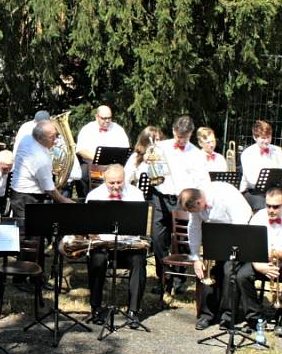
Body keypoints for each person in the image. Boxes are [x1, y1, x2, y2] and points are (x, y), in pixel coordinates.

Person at [179, 181, 253, 330]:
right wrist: (196, 258)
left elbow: (241, 220)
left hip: (238, 232)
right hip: (216, 235)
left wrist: (230, 249)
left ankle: (227, 316)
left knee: (228, 272)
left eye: (193, 210)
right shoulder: (196, 204)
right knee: (208, 272)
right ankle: (207, 315)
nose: (193, 214)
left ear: (199, 201)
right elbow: (194, 228)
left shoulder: (225, 195)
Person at [81, 164, 147, 326]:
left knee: (139, 259)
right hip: (103, 244)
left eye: (120, 182)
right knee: (97, 259)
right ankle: (96, 307)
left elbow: (139, 226)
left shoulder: (136, 194)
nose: (116, 186)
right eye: (112, 183)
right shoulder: (94, 195)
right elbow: (89, 227)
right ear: (104, 180)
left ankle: (133, 311)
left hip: (127, 244)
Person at [238, 187, 282, 337]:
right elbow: (251, 246)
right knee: (242, 276)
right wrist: (259, 266)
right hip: (261, 259)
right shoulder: (258, 217)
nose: (271, 210)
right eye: (268, 206)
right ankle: (255, 318)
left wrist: (275, 254)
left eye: (276, 206)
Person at [152, 115, 201, 293]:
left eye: (185, 137)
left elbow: (199, 179)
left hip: (182, 200)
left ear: (191, 134)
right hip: (161, 197)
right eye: (178, 136)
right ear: (173, 131)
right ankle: (163, 277)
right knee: (158, 239)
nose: (181, 140)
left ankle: (179, 278)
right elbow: (150, 169)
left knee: (182, 240)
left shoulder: (196, 153)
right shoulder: (161, 147)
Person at [9, 120, 75, 220]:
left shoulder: (27, 138)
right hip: (28, 198)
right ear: (39, 138)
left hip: (19, 194)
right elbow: (49, 189)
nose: (56, 140)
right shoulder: (40, 159)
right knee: (30, 232)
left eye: (56, 135)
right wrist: (64, 200)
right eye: (51, 137)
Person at [239, 120, 282, 213]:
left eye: (268, 137)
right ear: (255, 137)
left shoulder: (277, 150)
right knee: (268, 207)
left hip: (275, 191)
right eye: (263, 138)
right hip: (253, 192)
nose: (266, 141)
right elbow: (252, 180)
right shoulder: (247, 153)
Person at [75, 105, 130, 196]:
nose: (107, 121)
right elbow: (81, 150)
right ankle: (85, 199)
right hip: (92, 164)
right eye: (104, 118)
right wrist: (98, 158)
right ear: (97, 116)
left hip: (114, 165)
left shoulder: (118, 129)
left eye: (109, 118)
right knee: (82, 173)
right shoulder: (87, 129)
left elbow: (126, 149)